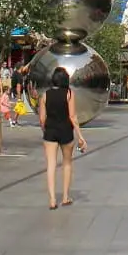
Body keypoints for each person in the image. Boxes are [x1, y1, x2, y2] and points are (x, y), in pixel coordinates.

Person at [38, 67, 86, 209]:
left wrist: (45, 129)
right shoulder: (69, 94)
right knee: (67, 163)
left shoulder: (45, 95)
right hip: (66, 131)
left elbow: (42, 119)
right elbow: (72, 117)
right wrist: (81, 136)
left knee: (51, 165)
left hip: (50, 132)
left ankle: (52, 199)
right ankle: (65, 197)